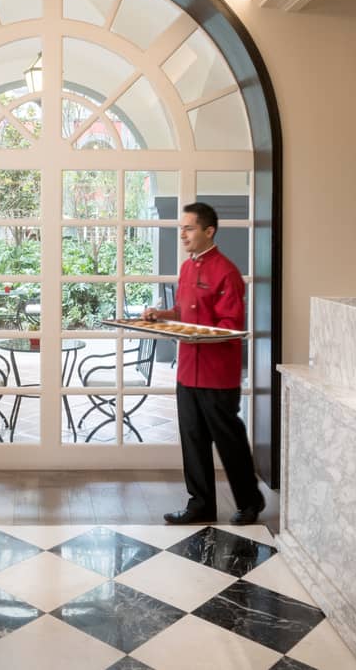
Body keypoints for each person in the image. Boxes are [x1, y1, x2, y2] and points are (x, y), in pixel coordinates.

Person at [144, 201, 265, 526]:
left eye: (189, 228)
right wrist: (162, 315)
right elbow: (186, 312)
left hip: (216, 375)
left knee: (230, 442)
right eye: (181, 228)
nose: (182, 234)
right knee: (193, 440)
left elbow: (231, 324)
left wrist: (199, 332)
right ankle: (200, 505)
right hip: (188, 371)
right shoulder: (187, 268)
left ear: (208, 231)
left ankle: (250, 502)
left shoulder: (226, 271)